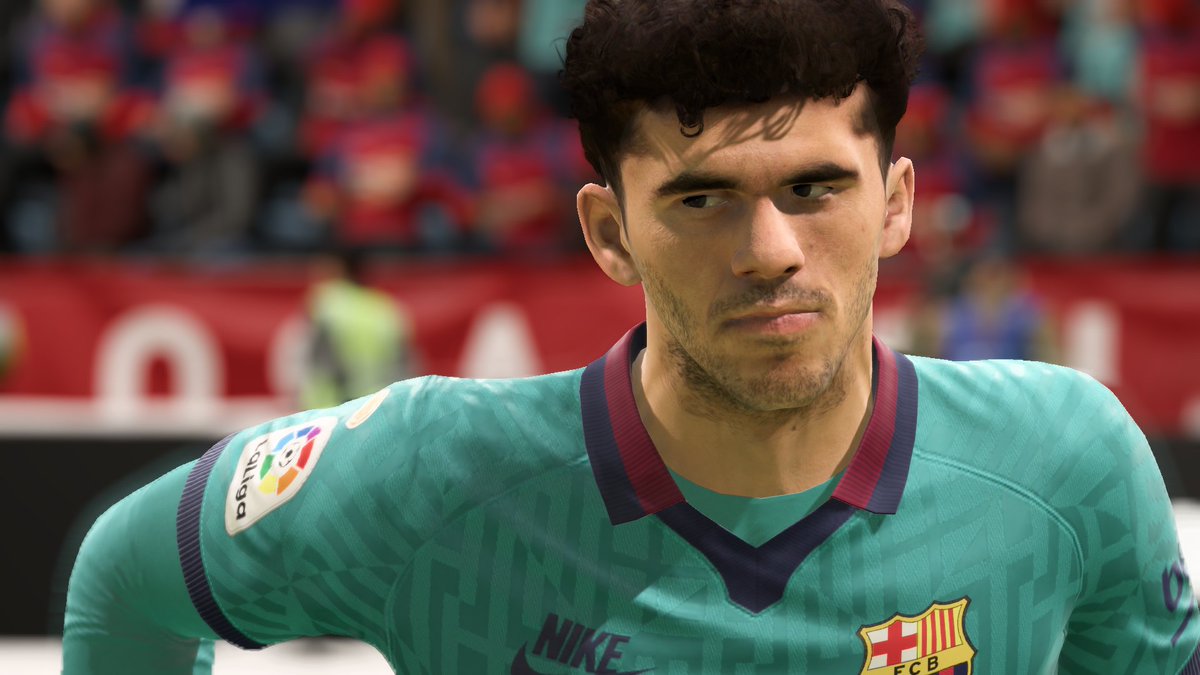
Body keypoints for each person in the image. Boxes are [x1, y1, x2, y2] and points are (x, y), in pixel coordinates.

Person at [63, 2, 1200, 674]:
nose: (770, 250)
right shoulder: (430, 477)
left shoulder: (1069, 464)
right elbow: (127, 574)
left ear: (896, 204)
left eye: (815, 187)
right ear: (610, 232)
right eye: (702, 199)